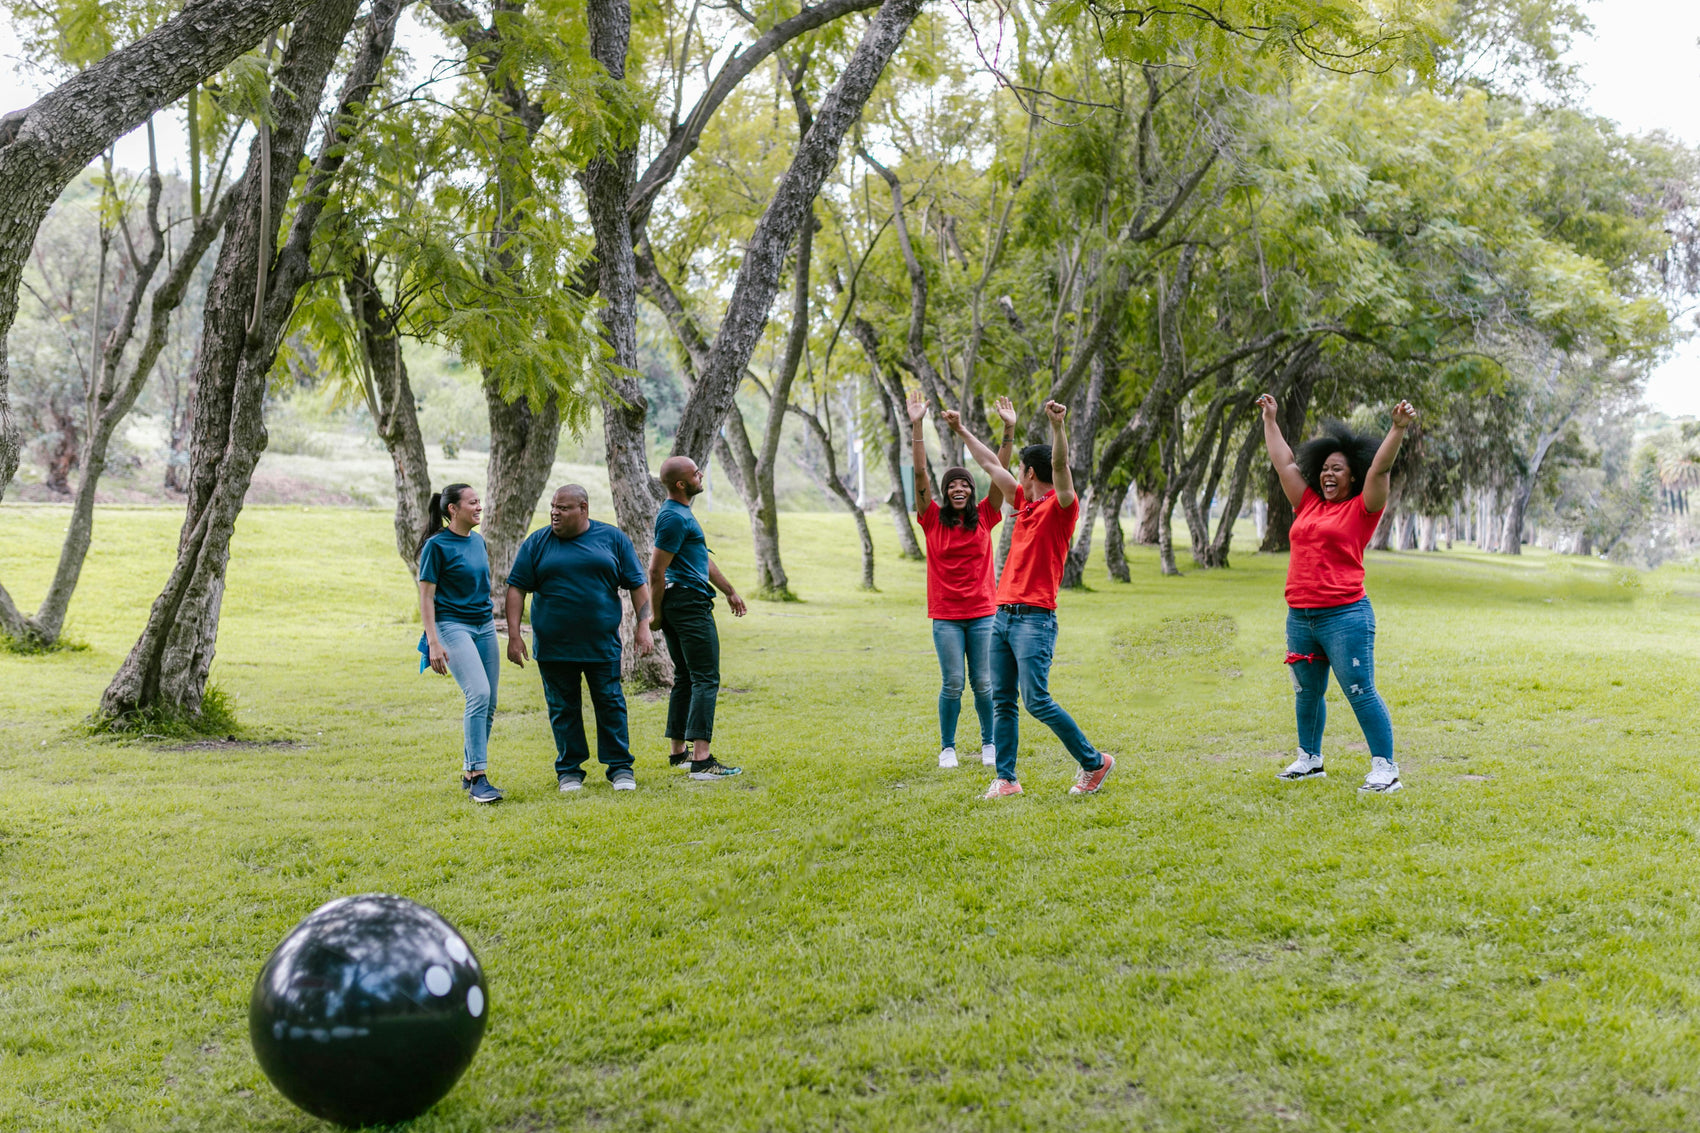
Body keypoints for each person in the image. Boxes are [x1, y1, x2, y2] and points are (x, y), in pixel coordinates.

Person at [947, 400, 1113, 799]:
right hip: (1002, 616)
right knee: (1003, 701)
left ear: (1030, 472)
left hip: (1035, 619)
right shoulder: (1024, 502)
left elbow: (1061, 467)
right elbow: (990, 464)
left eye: (1020, 468)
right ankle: (1006, 779)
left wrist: (1057, 427)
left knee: (1036, 700)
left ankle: (1095, 762)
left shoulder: (1062, 507)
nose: (1015, 473)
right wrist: (961, 430)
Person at [1257, 394, 1416, 793]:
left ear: (1353, 476)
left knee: (1360, 691)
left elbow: (1381, 467)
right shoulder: (1308, 503)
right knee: (1307, 693)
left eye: (1338, 470)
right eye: (1325, 468)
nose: (1328, 475)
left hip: (1344, 616)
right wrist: (1271, 420)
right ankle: (1309, 760)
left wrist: (1397, 428)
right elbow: (1284, 463)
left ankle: (1386, 768)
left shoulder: (1363, 508)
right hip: (1300, 616)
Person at [505, 485, 655, 793]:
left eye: (562, 508)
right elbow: (516, 589)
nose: (554, 513)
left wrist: (644, 625)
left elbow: (638, 584)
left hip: (601, 644)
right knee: (563, 708)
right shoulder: (537, 542)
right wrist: (514, 634)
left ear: (583, 509)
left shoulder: (612, 539)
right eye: (553, 507)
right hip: (554, 646)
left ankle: (620, 768)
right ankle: (569, 771)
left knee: (610, 703)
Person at [908, 389, 1016, 769]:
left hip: (984, 613)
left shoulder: (985, 514)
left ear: (971, 491)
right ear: (944, 492)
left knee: (984, 683)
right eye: (952, 485)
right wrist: (917, 426)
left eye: (964, 484)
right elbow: (919, 474)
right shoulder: (931, 519)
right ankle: (948, 748)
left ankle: (989, 743)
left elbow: (999, 471)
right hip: (947, 617)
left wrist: (1008, 431)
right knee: (952, 683)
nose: (959, 488)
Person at [648, 455, 748, 780]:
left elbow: (701, 558)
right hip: (687, 604)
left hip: (682, 601)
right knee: (705, 677)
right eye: (695, 473)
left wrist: (729, 591)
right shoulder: (673, 518)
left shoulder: (680, 514)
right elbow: (655, 570)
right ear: (681, 484)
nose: (700, 475)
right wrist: (655, 614)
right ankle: (702, 761)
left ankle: (679, 752)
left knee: (686, 677)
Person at [417, 483, 503, 803]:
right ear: (453, 509)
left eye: (479, 501)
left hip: (484, 626)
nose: (479, 507)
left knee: (489, 701)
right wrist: (433, 641)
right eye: (472, 502)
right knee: (477, 693)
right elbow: (426, 597)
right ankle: (479, 777)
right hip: (452, 626)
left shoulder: (478, 541)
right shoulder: (436, 546)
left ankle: (470, 774)